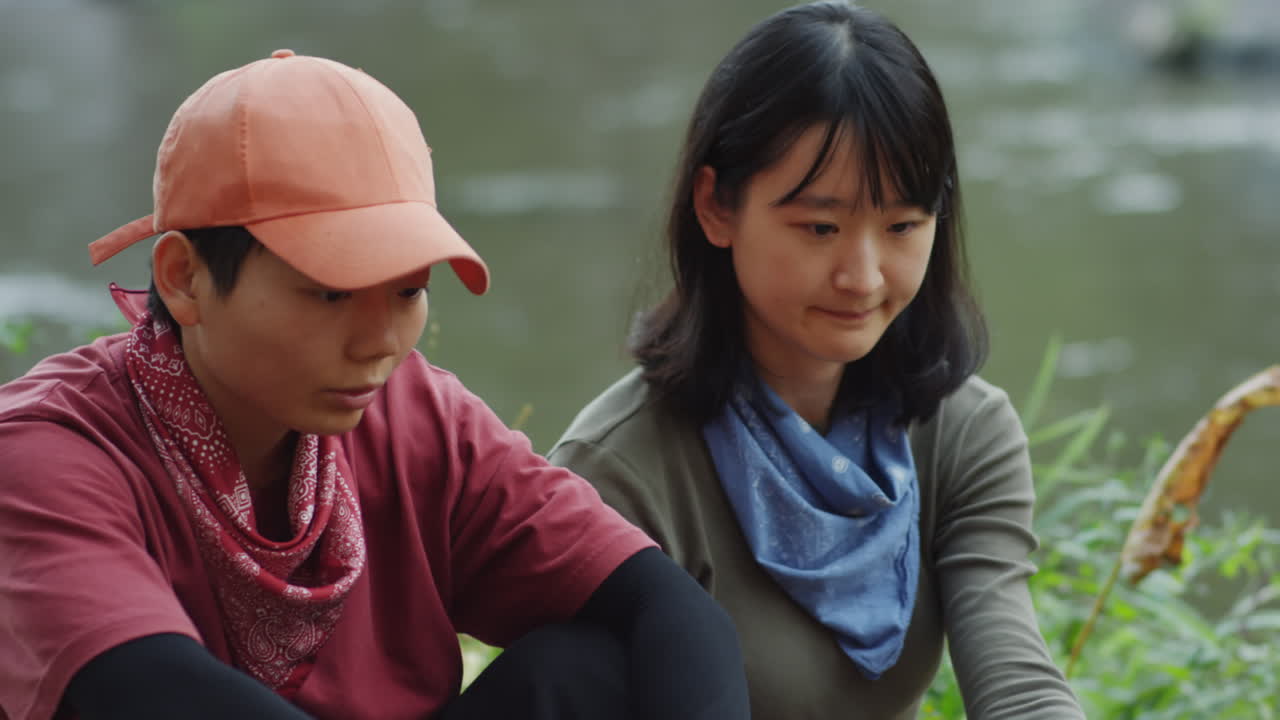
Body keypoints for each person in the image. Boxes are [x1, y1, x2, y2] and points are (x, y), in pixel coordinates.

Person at [0, 50, 750, 720]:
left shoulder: (416, 414)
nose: (381, 343)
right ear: (184, 277)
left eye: (407, 291)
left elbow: (669, 610)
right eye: (329, 293)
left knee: (588, 672)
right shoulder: (50, 452)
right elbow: (144, 687)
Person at [548, 3, 1086, 718]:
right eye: (821, 227)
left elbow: (1017, 684)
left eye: (901, 226)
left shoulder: (961, 432)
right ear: (717, 208)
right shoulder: (619, 471)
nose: (862, 276)